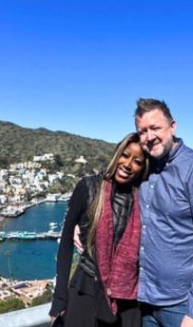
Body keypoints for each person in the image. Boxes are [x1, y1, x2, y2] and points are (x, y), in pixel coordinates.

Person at [134, 98, 193, 327]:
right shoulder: (141, 167)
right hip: (143, 299)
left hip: (181, 304)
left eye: (155, 128)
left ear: (172, 127)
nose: (149, 136)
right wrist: (81, 222)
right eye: (143, 131)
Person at [50, 132, 150, 327]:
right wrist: (59, 299)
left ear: (142, 168)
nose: (128, 164)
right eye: (125, 155)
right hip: (85, 289)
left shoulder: (144, 199)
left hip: (127, 299)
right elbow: (65, 245)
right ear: (116, 154)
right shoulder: (88, 188)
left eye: (137, 161)